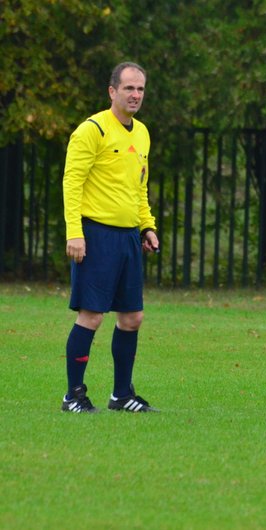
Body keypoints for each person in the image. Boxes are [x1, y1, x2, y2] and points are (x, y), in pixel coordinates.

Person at [61, 62, 159, 413]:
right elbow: (72, 183)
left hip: (129, 238)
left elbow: (140, 187)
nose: (135, 95)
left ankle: (121, 395)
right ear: (112, 91)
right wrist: (75, 233)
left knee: (132, 318)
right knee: (92, 315)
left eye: (141, 89)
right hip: (96, 235)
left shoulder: (143, 133)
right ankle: (73, 394)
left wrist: (147, 226)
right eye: (129, 88)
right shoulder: (92, 130)